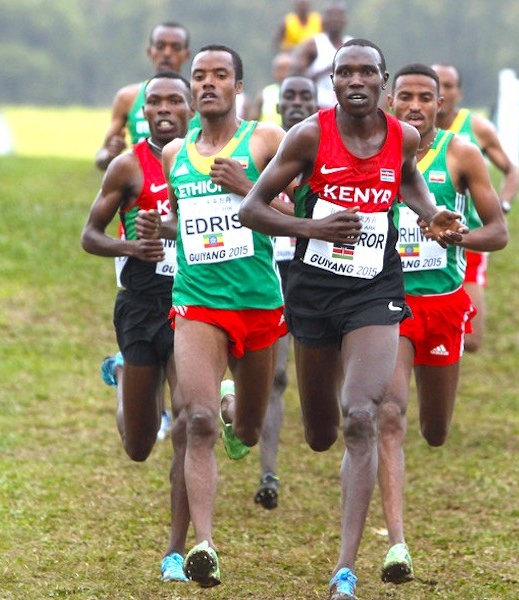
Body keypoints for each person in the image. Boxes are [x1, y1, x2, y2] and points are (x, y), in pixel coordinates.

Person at [239, 38, 465, 600]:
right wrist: (312, 228)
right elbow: (252, 208)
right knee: (321, 434)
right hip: (314, 292)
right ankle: (243, 408)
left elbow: (406, 177)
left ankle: (345, 569)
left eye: (367, 72)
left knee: (362, 415)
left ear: (383, 83)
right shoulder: (308, 136)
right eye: (345, 72)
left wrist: (430, 212)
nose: (356, 81)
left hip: (375, 289)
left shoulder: (401, 136)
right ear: (333, 81)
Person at [134, 45, 288, 589]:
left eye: (220, 75)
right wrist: (160, 228)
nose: (207, 83)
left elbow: (301, 216)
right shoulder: (176, 153)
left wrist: (247, 190)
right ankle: (204, 546)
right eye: (199, 75)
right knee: (193, 422)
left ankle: (234, 411)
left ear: (238, 86)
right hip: (197, 301)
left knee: (246, 429)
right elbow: (184, 222)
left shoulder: (266, 140)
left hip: (259, 303)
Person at [378, 62, 509, 585]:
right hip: (388, 304)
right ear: (390, 102)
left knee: (434, 431)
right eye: (405, 97)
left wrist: (457, 237)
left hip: (443, 305)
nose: (414, 106)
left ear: (441, 104)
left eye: (424, 98)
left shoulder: (461, 154)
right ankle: (396, 544)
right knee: (389, 416)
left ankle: (400, 530)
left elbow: (498, 231)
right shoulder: (375, 153)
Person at [79, 71, 193, 584]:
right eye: (154, 103)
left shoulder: (208, 162)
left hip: (193, 302)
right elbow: (90, 235)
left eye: (174, 101)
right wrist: (131, 246)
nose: (164, 109)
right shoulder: (128, 166)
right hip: (141, 305)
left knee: (190, 423)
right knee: (140, 446)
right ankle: (125, 372)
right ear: (142, 113)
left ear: (191, 109)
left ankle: (176, 551)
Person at [253, 74, 319, 511]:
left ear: (315, 104)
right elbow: (251, 204)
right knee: (275, 377)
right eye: (289, 96)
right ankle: (269, 472)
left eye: (304, 97)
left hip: (317, 270)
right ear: (278, 107)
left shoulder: (326, 151)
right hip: (271, 270)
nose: (296, 103)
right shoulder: (260, 150)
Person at [432, 63, 517, 353]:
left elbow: (511, 170)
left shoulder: (477, 128)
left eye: (449, 85)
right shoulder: (408, 131)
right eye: (437, 85)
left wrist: (503, 203)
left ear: (459, 92)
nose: (443, 92)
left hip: (468, 237)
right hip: (418, 238)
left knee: (470, 340)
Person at [95, 22, 192, 172]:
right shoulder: (127, 98)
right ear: (150, 52)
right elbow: (101, 157)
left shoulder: (200, 99)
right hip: (141, 181)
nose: (167, 53)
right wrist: (110, 154)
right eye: (160, 46)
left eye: (175, 47)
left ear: (186, 55)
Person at [291, 2, 352, 109]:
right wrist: (327, 70)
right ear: (324, 20)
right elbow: (298, 77)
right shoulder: (313, 44)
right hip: (319, 106)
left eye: (339, 16)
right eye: (331, 16)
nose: (335, 19)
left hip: (346, 106)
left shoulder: (352, 45)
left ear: (345, 20)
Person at [249, 52, 292, 126]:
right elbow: (252, 123)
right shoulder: (264, 94)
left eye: (287, 69)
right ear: (274, 72)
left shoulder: (300, 94)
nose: (284, 73)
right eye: (280, 69)